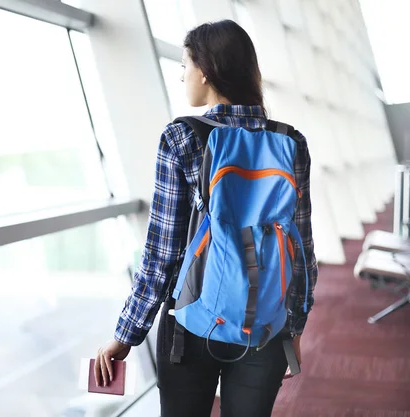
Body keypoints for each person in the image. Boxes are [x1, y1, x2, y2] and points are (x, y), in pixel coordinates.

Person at [94, 19, 318, 417]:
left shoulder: (181, 137)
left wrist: (126, 335)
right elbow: (301, 247)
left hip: (191, 319)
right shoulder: (291, 142)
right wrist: (294, 327)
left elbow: (162, 253)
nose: (182, 75)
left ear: (206, 70)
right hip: (266, 324)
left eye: (185, 64)